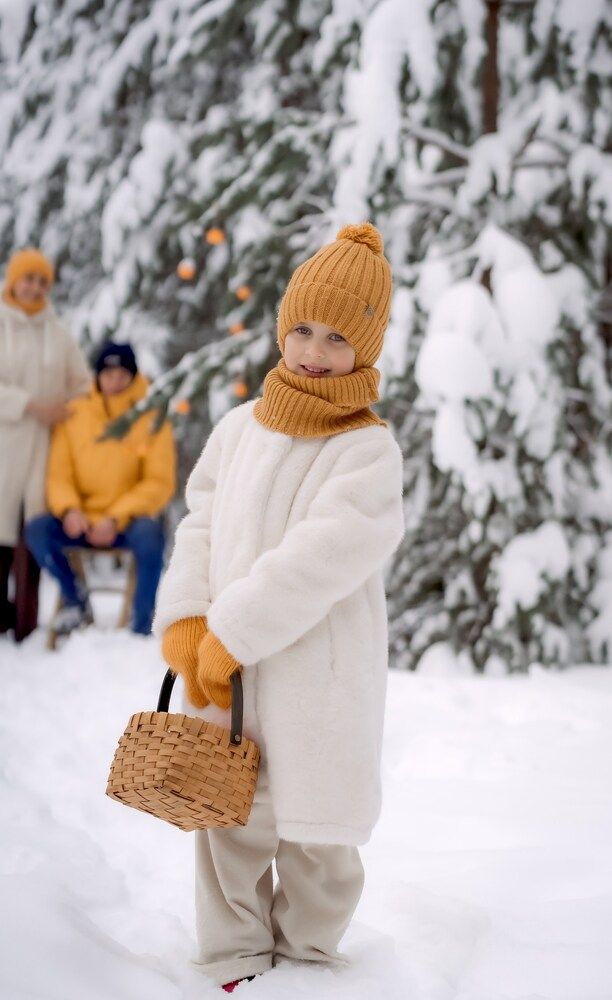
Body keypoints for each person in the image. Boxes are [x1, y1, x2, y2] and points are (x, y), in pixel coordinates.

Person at [154, 223, 405, 992]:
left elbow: (325, 554)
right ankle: (230, 959)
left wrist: (234, 629)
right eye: (301, 327)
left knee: (316, 836)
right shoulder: (239, 429)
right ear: (280, 326)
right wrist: (190, 619)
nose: (313, 350)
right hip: (224, 680)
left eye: (336, 337)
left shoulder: (367, 449)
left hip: (316, 682)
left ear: (363, 349)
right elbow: (199, 519)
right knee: (226, 820)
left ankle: (308, 966)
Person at [26, 341, 176, 636]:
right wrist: (70, 510)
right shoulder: (75, 414)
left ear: (133, 376)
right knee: (37, 530)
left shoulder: (151, 416)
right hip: (80, 519)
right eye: (108, 374)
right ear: (97, 376)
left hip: (126, 522)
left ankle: (141, 621)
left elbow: (159, 481)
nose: (115, 381)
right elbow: (59, 474)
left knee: (151, 537)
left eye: (123, 374)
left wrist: (115, 517)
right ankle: (75, 601)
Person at [0, 248, 91, 640]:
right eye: (28, 279)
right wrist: (30, 405)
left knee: (33, 531)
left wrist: (65, 410)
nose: (34, 287)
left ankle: (25, 624)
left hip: (45, 446)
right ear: (13, 281)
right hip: (6, 440)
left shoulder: (58, 332)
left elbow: (84, 384)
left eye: (41, 281)